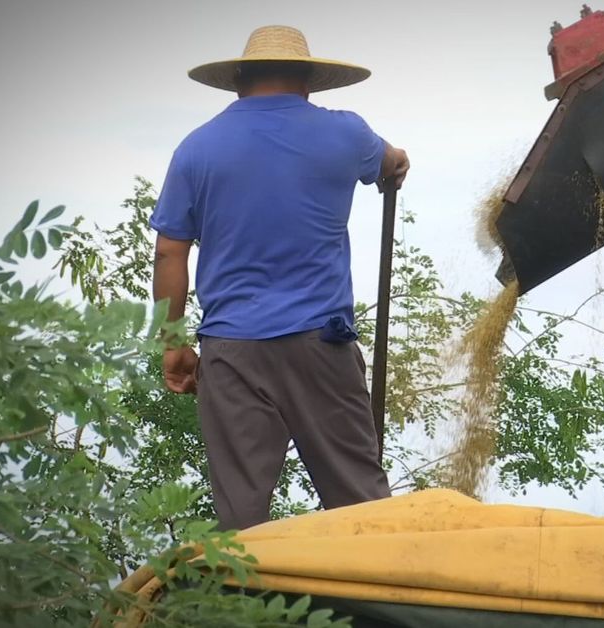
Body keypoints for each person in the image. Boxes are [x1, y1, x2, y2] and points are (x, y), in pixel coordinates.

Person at [149, 25, 409, 531]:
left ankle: (246, 607)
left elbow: (168, 253)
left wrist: (173, 342)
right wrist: (395, 165)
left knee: (241, 520)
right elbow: (389, 161)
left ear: (239, 81)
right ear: (308, 83)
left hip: (231, 352)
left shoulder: (197, 148)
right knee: (363, 506)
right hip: (322, 347)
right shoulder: (346, 133)